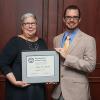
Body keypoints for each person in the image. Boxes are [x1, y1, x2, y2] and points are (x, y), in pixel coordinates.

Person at [52, 5, 96, 100]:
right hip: (58, 92)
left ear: (79, 19)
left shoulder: (89, 40)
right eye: (68, 17)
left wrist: (67, 57)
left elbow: (90, 66)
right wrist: (49, 76)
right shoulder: (56, 39)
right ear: (64, 19)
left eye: (75, 17)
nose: (71, 20)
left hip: (77, 93)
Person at [0, 13, 48, 100]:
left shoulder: (42, 42)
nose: (30, 26)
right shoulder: (15, 42)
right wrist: (14, 81)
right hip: (19, 91)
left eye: (33, 23)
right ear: (22, 26)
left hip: (38, 90)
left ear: (36, 25)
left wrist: (50, 76)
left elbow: (46, 63)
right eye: (27, 23)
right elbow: (3, 63)